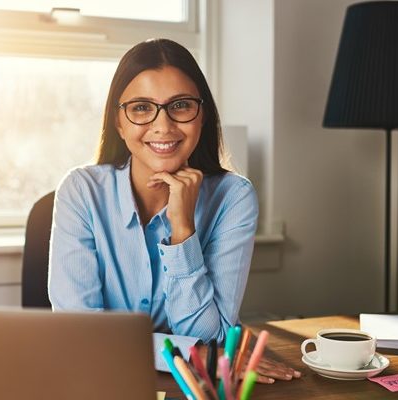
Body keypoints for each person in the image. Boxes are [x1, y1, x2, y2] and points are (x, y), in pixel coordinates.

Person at [48, 38, 297, 382]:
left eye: (180, 105)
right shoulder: (81, 191)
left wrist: (183, 231)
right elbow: (82, 335)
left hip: (198, 386)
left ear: (202, 115)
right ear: (119, 123)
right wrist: (194, 353)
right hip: (102, 378)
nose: (163, 126)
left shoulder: (234, 197)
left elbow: (211, 337)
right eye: (140, 108)